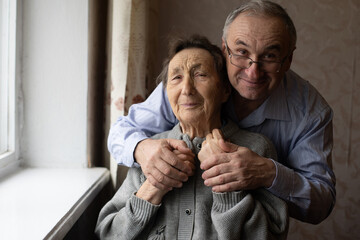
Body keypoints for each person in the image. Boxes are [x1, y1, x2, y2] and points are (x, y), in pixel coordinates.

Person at [108, 0, 336, 224]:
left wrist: (267, 173)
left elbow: (321, 204)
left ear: (288, 60)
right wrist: (142, 149)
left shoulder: (310, 112)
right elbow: (120, 132)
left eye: (269, 56)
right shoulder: (189, 85)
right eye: (241, 52)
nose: (253, 72)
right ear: (225, 49)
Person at [96, 35, 288, 240]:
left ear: (224, 90)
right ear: (166, 92)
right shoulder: (150, 152)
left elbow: (272, 235)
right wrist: (152, 187)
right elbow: (106, 234)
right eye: (176, 78)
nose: (186, 89)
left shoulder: (257, 148)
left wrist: (227, 189)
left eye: (200, 75)